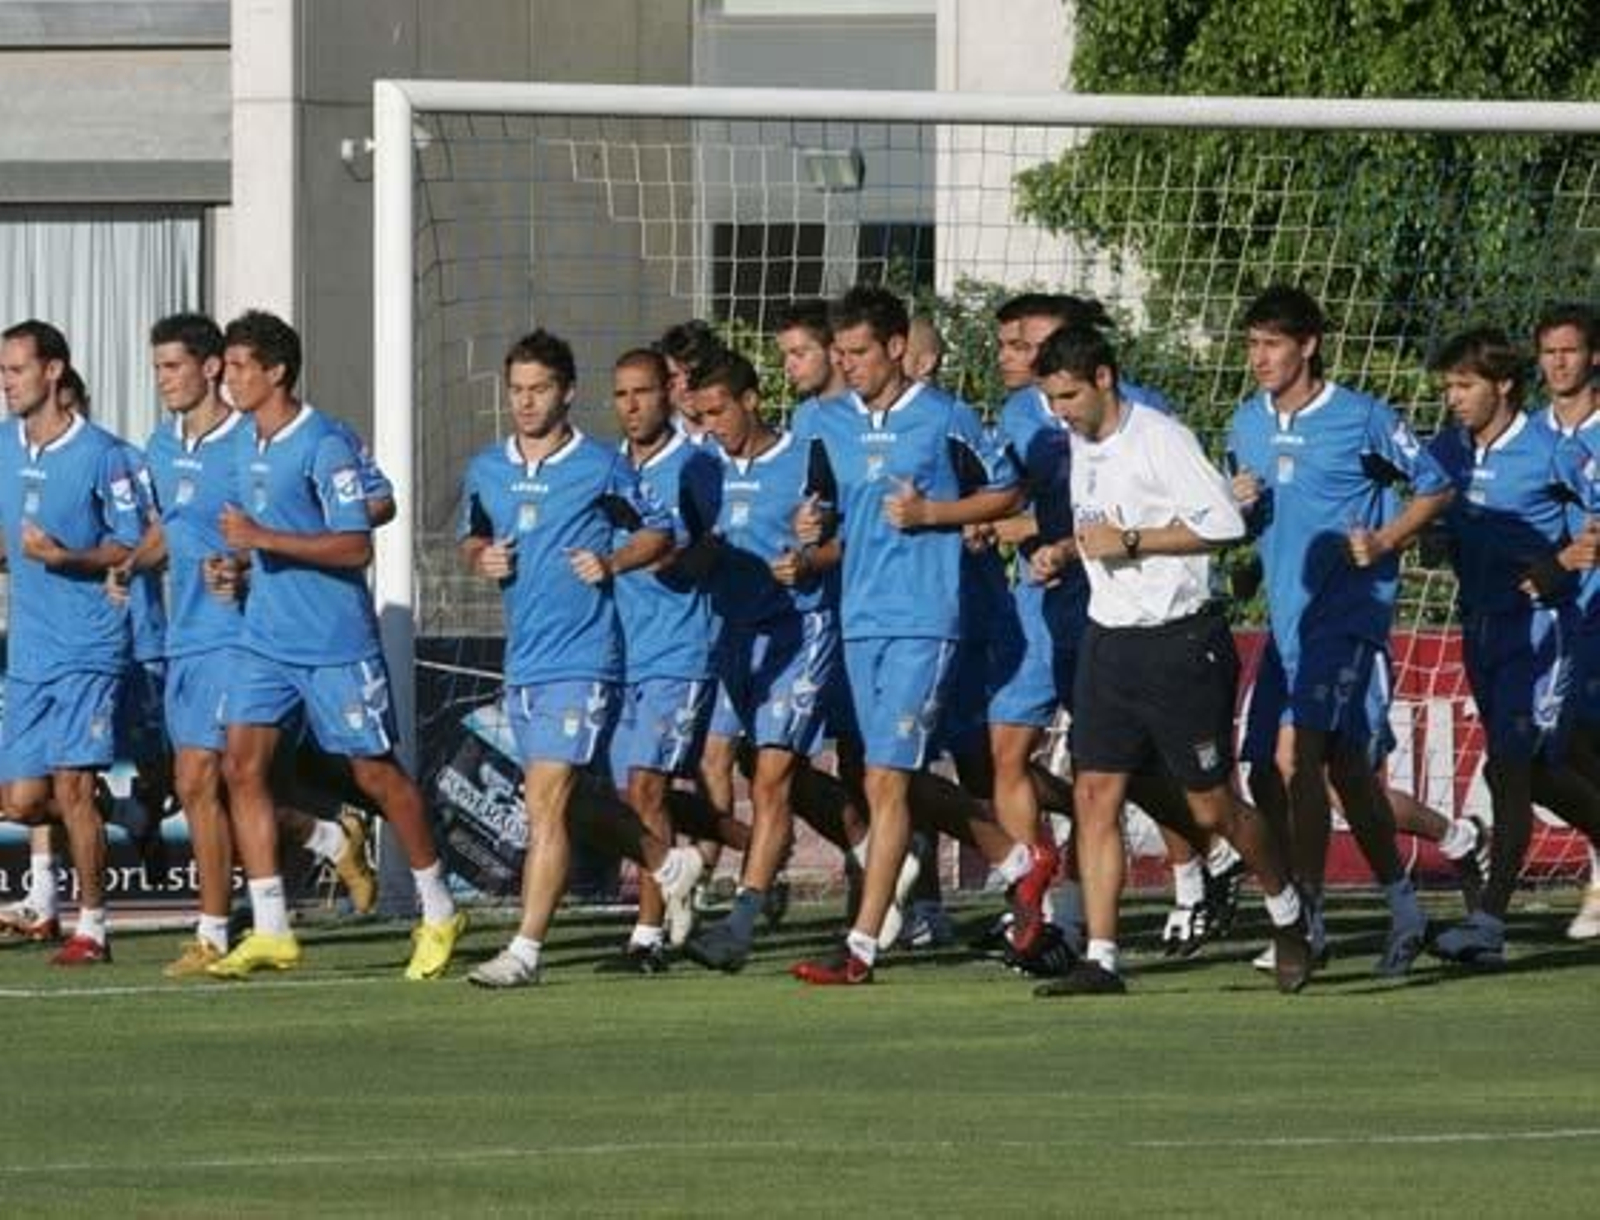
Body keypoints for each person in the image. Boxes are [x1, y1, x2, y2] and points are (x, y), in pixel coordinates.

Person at [1022, 324, 1310, 997]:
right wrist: (1067, 551)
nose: (1060, 411)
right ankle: (1102, 958)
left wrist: (1128, 539)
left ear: (1104, 379)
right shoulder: (1079, 439)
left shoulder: (1161, 438)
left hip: (1180, 642)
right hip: (1109, 641)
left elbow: (1223, 524)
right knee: (1095, 796)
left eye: (1068, 395)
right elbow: (1105, 525)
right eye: (1051, 400)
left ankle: (1289, 913)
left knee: (1212, 811)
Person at [205, 310, 463, 979]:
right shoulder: (242, 445)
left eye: (237, 367)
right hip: (263, 639)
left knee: (377, 776)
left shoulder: (323, 443)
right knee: (239, 767)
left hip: (333, 642)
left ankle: (438, 909)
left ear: (275, 371)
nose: (226, 378)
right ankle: (271, 927)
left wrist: (262, 541)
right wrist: (234, 566)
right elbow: (257, 534)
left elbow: (354, 544)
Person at [789, 285, 1023, 985]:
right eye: (841, 353)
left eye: (860, 352)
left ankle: (861, 944)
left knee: (887, 782)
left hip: (926, 617)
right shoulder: (826, 423)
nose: (849, 364)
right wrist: (812, 526)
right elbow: (825, 505)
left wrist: (933, 514)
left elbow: (1006, 492)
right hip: (859, 620)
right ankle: (1021, 861)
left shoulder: (945, 418)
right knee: (889, 778)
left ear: (896, 348)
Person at [459, 328, 706, 988]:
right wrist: (480, 557)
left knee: (545, 800)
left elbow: (659, 530)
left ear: (566, 393)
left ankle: (525, 952)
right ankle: (667, 861)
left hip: (588, 657)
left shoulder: (601, 466)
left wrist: (613, 560)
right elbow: (473, 535)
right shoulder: (487, 468)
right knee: (569, 805)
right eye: (516, 390)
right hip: (526, 660)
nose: (526, 402)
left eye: (539, 389)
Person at [1227, 285, 1451, 976]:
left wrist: (1385, 540)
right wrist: (1236, 506)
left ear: (1309, 345)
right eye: (1253, 344)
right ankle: (1406, 907)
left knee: (1301, 760)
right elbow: (1242, 521)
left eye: (1272, 344)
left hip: (1346, 618)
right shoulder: (1245, 425)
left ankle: (1311, 918)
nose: (1259, 357)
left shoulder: (1362, 418)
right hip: (1283, 625)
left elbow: (1435, 483)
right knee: (1290, 770)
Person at [1424, 327, 1600, 965]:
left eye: (1465, 385)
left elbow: (1594, 518)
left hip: (1541, 630)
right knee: (1542, 775)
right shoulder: (1447, 449)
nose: (1454, 397)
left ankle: (1489, 923)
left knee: (1511, 767)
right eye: (1448, 386)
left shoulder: (1551, 450)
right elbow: (1428, 511)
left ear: (1502, 386)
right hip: (1481, 628)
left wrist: (1566, 559)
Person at [677, 351, 845, 971]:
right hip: (730, 638)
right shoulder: (699, 470)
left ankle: (740, 923)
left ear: (751, 400)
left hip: (799, 631)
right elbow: (690, 555)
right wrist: (692, 556)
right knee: (716, 762)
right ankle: (873, 849)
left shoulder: (806, 458)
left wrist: (808, 559)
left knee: (771, 777)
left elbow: (840, 541)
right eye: (700, 414)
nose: (710, 424)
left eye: (718, 411)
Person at [0, 320, 143, 964]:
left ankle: (93, 927)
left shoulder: (104, 454)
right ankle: (117, 813)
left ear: (52, 372)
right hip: (30, 649)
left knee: (73, 788)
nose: (6, 383)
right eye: (3, 371)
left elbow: (131, 544)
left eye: (16, 370)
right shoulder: (4, 446)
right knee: (24, 800)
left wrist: (65, 557)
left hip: (89, 645)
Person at [598, 348, 721, 971]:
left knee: (648, 788)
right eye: (621, 395)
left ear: (667, 395)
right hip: (618, 654)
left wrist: (668, 555)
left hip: (678, 650)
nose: (632, 406)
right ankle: (734, 852)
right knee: (623, 795)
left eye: (642, 393)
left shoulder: (694, 466)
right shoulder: (605, 467)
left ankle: (646, 938)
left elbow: (710, 550)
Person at [1533, 303, 1600, 939]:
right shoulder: (1532, 435)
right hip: (1551, 620)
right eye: (1548, 352)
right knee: (1556, 749)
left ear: (1593, 356)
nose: (1557, 362)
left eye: (1569, 350)